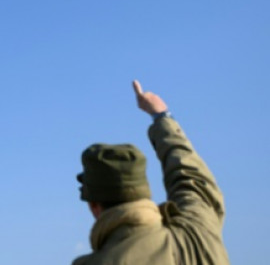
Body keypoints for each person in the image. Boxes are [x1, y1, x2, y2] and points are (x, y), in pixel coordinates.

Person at [72, 80, 230, 264]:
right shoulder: (197, 231)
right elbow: (191, 179)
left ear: (94, 206)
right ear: (143, 190)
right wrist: (161, 116)